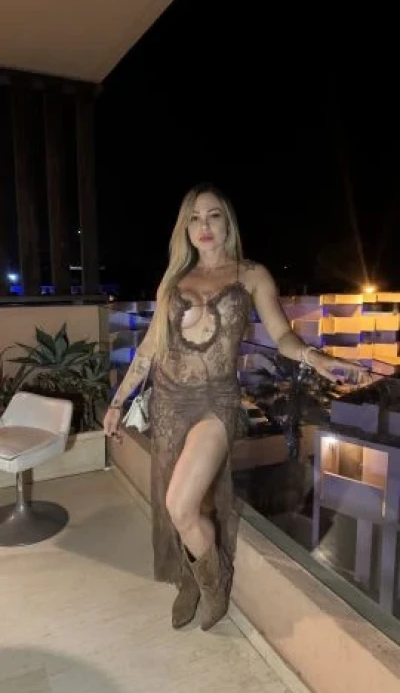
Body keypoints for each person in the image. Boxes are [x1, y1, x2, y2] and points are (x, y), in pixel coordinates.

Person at [103, 183, 366, 632]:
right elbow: (149, 349)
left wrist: (315, 357)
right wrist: (117, 402)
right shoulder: (174, 279)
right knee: (176, 505)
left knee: (181, 503)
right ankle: (189, 578)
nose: (203, 226)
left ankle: (215, 581)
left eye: (213, 215)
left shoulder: (252, 275)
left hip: (216, 402)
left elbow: (282, 336)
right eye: (194, 218)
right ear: (184, 228)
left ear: (228, 222)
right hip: (169, 399)